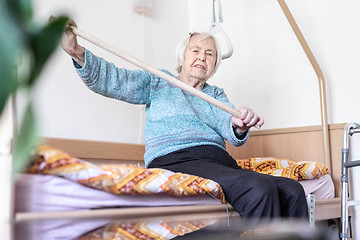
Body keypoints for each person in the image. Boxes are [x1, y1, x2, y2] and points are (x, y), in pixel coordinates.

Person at [61, 19, 309, 220]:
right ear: (182, 58)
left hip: (218, 162)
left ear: (214, 65)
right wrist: (76, 51)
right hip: (175, 159)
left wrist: (239, 124)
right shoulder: (159, 80)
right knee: (258, 188)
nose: (202, 57)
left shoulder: (214, 94)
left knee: (293, 190)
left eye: (210, 54)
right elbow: (115, 81)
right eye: (196, 51)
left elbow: (228, 122)